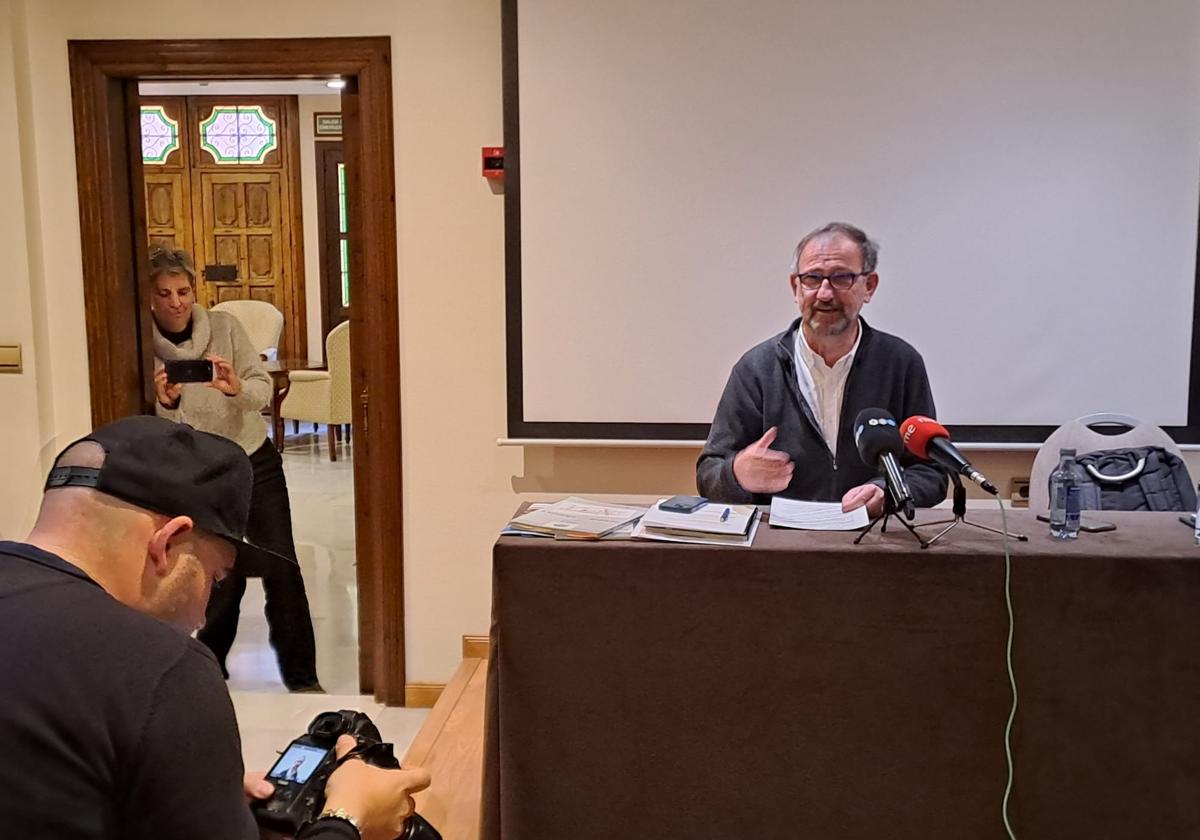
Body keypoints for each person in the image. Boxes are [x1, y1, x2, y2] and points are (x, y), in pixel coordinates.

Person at [0, 415, 430, 839]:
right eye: (215, 578)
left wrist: (188, 804)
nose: (203, 619)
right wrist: (348, 817)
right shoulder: (162, 669)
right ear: (167, 544)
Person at [148, 245, 321, 692]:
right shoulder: (140, 343)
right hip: (199, 470)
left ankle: (303, 679)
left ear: (194, 290)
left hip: (253, 458)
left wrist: (234, 387)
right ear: (150, 298)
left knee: (282, 565)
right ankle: (209, 671)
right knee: (215, 572)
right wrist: (166, 404)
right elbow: (154, 427)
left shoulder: (225, 326)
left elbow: (262, 391)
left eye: (183, 291)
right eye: (164, 293)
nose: (176, 302)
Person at [697, 221, 947, 514]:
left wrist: (887, 492)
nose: (825, 293)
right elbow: (708, 475)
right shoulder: (756, 368)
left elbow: (932, 473)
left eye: (842, 278)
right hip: (780, 547)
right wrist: (737, 473)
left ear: (869, 286)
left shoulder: (901, 364)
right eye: (813, 278)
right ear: (796, 287)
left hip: (873, 543)